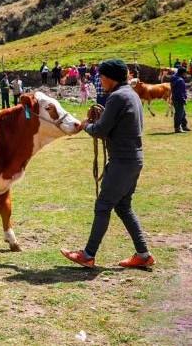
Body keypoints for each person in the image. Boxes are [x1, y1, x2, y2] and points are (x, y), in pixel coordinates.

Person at [61, 59, 155, 269]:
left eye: (102, 77)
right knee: (123, 206)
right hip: (133, 159)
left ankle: (88, 255)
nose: (100, 81)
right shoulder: (131, 95)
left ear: (110, 78)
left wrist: (86, 125)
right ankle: (143, 254)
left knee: (103, 206)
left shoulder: (117, 97)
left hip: (121, 161)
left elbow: (100, 130)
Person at [171, 68, 190, 133]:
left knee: (183, 113)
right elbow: (180, 92)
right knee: (179, 114)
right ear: (183, 73)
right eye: (185, 73)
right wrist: (183, 99)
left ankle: (184, 126)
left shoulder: (174, 78)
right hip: (179, 99)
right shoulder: (180, 80)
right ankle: (177, 128)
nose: (186, 74)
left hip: (174, 98)